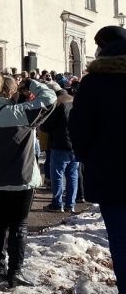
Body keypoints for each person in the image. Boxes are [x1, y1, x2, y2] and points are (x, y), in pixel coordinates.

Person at [0, 75, 56, 288]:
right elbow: (50, 97)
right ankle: (15, 272)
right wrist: (32, 83)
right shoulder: (22, 112)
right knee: (19, 224)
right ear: (11, 92)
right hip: (21, 177)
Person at [70, 25, 126, 293]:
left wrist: (89, 157)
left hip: (110, 175)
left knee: (121, 241)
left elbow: (79, 128)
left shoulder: (93, 82)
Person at [39, 81, 77, 213]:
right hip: (74, 144)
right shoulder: (74, 100)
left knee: (57, 175)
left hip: (60, 143)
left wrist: (41, 125)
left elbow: (47, 125)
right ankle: (70, 204)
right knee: (72, 175)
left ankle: (57, 203)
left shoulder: (58, 103)